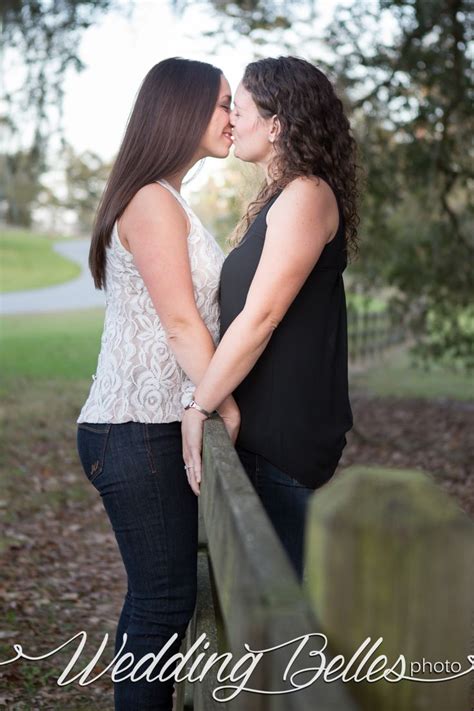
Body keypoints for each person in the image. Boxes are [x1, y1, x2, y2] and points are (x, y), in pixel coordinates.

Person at [76, 57, 240, 711]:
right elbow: (179, 322)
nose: (236, 116)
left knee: (157, 601)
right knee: (163, 605)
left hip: (147, 430)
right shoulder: (150, 199)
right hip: (134, 429)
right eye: (225, 103)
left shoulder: (168, 198)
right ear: (184, 109)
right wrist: (228, 407)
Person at [182, 56, 359, 583]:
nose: (230, 119)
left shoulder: (306, 195)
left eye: (238, 106)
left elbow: (260, 318)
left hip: (280, 439)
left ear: (276, 124)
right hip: (261, 433)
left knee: (274, 618)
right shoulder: (284, 198)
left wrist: (200, 405)